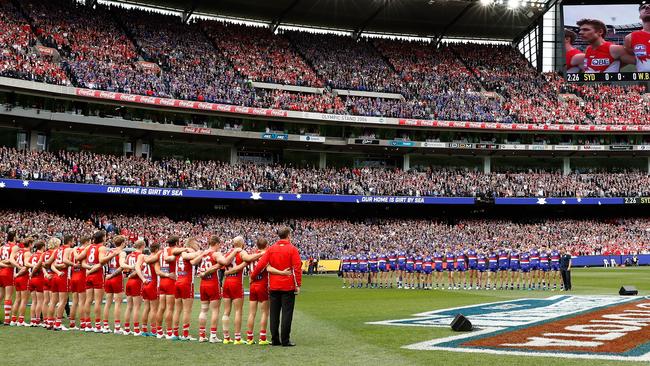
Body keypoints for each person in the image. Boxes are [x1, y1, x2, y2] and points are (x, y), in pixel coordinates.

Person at [250, 226, 302, 347]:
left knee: (274, 313)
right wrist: (298, 284)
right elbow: (297, 268)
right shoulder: (292, 249)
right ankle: (285, 340)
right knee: (287, 314)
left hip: (273, 286)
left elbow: (260, 265)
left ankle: (275, 339)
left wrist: (252, 277)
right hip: (287, 286)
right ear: (288, 235)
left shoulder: (271, 249)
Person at [193, 235, 240, 343]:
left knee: (204, 309)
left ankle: (201, 335)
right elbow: (225, 262)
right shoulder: (216, 253)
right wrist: (235, 251)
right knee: (215, 310)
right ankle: (213, 336)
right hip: (212, 283)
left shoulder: (204, 253)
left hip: (203, 284)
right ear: (217, 244)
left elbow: (193, 262)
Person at [171, 238, 202, 341]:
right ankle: (185, 334)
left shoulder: (179, 252)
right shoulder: (189, 251)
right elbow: (192, 258)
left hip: (178, 281)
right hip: (187, 282)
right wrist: (200, 252)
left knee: (177, 309)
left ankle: (175, 333)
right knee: (187, 310)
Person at [102, 235, 127, 334]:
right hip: (116, 278)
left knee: (107, 303)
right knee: (117, 303)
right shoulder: (122, 253)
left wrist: (108, 275)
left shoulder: (109, 252)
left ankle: (106, 326)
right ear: (122, 243)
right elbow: (121, 267)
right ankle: (117, 327)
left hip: (107, 277)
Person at [69, 236, 90, 330]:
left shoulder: (74, 250)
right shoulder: (85, 250)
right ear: (86, 242)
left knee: (74, 301)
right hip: (81, 276)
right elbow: (84, 263)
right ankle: (83, 323)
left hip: (73, 276)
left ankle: (72, 323)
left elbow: (70, 261)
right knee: (82, 301)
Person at [0, 231, 19, 325]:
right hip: (8, 272)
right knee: (8, 296)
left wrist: (3, 262)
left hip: (1, 271)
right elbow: (12, 261)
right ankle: (7, 319)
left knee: (0, 295)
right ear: (14, 237)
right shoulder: (15, 247)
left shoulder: (2, 247)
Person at [624, 4, 650, 72]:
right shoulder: (629, 38)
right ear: (640, 16)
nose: (647, 7)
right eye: (643, 7)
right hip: (644, 81)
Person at [28, 240, 45, 327]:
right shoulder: (42, 255)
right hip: (39, 278)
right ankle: (38, 320)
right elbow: (40, 266)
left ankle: (32, 320)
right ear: (42, 247)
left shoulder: (32, 255)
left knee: (34, 301)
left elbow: (27, 264)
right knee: (40, 301)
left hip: (32, 280)